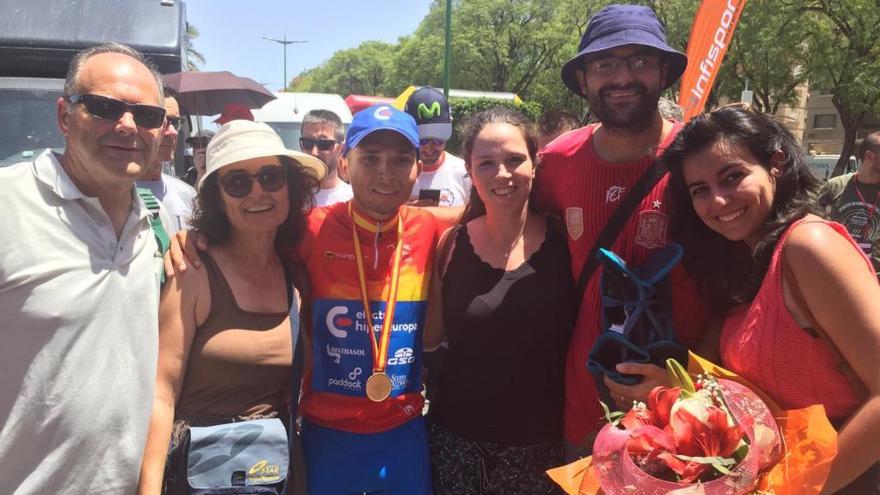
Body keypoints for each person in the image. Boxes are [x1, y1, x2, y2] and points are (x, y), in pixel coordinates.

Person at [169, 104, 439, 494]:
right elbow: (249, 233)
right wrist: (196, 238)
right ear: (344, 165)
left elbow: (485, 214)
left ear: (419, 169)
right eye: (370, 158)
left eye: (401, 160)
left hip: (403, 433)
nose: (385, 172)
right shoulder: (311, 229)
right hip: (327, 435)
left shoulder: (431, 228)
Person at [662, 106, 880, 494]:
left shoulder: (808, 246)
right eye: (701, 191)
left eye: (732, 177)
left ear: (776, 163)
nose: (719, 201)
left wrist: (800, 489)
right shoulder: (745, 260)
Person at [535, 4, 708, 461]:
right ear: (584, 80)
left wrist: (688, 376)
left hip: (685, 413)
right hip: (584, 407)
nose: (622, 77)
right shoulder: (556, 163)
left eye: (639, 61)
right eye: (605, 63)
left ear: (663, 72)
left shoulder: (700, 157)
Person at [0, 43, 174, 493]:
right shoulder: (8, 204)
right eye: (103, 107)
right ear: (64, 115)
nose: (128, 126)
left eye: (147, 115)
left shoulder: (156, 223)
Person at [138, 120, 324, 495]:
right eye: (237, 182)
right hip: (197, 477)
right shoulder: (191, 271)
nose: (257, 192)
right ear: (218, 198)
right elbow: (161, 393)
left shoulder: (296, 276)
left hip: (271, 474)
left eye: (271, 177)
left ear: (289, 186)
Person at [424, 108, 577, 494]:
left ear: (535, 163)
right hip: (455, 443)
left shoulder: (569, 243)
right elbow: (429, 339)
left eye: (514, 160)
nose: (502, 174)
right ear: (470, 172)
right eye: (486, 163)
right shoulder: (450, 245)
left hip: (542, 451)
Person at [820, 131, 880, 278]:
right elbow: (811, 224)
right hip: (836, 275)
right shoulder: (835, 187)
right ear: (870, 156)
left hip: (874, 279)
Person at [137, 92, 197, 231]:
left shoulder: (187, 194)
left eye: (176, 123)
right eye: (161, 121)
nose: (172, 132)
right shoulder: (112, 196)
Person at [404, 86, 470, 207]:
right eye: (422, 141)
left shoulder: (465, 173)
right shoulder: (394, 174)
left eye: (438, 140)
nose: (429, 149)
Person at [300, 109, 352, 206]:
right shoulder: (290, 198)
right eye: (307, 143)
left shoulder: (353, 200)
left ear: (341, 148)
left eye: (324, 144)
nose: (314, 153)